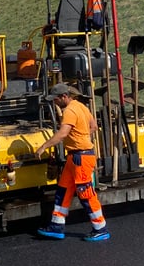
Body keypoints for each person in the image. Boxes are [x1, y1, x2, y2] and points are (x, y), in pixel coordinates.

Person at [35, 83, 110, 242]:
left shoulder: (69, 111)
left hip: (80, 157)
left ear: (64, 97)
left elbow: (62, 134)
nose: (55, 102)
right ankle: (56, 226)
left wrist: (43, 147)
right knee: (63, 191)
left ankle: (100, 228)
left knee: (86, 194)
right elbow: (93, 126)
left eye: (56, 99)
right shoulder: (81, 106)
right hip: (75, 156)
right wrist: (81, 137)